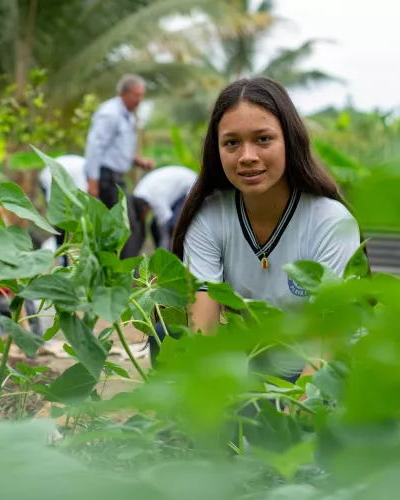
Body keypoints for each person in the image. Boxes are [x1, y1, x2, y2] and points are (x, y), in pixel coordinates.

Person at [150, 77, 362, 382]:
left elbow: (328, 345)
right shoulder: (210, 216)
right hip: (254, 360)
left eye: (263, 139)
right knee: (166, 334)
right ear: (217, 149)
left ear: (290, 140)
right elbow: (203, 329)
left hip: (319, 366)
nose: (247, 156)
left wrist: (290, 416)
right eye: (232, 143)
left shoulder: (329, 221)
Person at [83, 74, 156, 209]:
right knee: (124, 223)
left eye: (142, 95)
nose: (140, 100)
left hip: (115, 178)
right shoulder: (110, 113)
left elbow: (117, 147)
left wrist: (137, 161)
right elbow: (95, 146)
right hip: (106, 177)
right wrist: (93, 182)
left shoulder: (128, 115)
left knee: (125, 222)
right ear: (122, 94)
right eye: (136, 95)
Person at [122, 166, 198, 257]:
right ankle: (160, 255)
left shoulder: (155, 199)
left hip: (190, 187)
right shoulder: (138, 194)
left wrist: (163, 255)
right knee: (154, 226)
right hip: (175, 192)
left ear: (144, 209)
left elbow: (166, 226)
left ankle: (175, 258)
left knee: (174, 226)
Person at [38, 154, 87, 266]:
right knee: (60, 222)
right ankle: (62, 260)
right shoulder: (84, 175)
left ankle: (65, 256)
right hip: (50, 176)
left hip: (62, 175)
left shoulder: (87, 171)